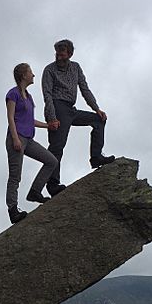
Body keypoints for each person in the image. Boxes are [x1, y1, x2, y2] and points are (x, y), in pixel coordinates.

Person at [42, 38, 114, 196]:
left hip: (71, 109)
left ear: (70, 54)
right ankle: (52, 184)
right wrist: (52, 117)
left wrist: (97, 109)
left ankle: (96, 157)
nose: (59, 56)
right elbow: (47, 95)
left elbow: (84, 89)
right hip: (57, 107)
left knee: (98, 120)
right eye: (57, 53)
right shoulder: (49, 70)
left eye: (62, 53)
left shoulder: (75, 67)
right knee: (57, 146)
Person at [5, 63, 59, 224]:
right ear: (23, 75)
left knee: (51, 161)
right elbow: (10, 117)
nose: (33, 75)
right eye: (30, 72)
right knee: (15, 176)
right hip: (17, 138)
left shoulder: (29, 97)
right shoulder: (12, 94)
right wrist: (15, 138)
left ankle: (35, 192)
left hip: (29, 139)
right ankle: (13, 210)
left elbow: (30, 120)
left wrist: (48, 125)